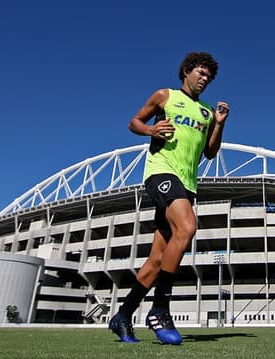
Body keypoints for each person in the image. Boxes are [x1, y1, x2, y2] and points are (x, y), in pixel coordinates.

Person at [108, 52, 229, 345]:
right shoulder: (165, 96)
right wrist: (151, 129)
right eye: (200, 73)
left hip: (187, 184)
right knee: (187, 227)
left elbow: (210, 153)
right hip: (161, 173)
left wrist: (220, 123)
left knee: (157, 259)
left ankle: (122, 316)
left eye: (208, 77)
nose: (204, 79)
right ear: (186, 71)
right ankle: (160, 311)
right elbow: (134, 122)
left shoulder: (206, 112)